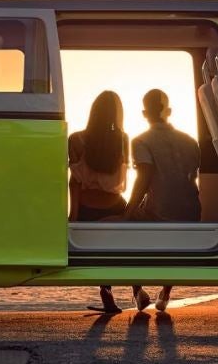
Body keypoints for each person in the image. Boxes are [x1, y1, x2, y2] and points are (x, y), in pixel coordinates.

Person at [125, 88, 201, 312]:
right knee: (173, 247)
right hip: (191, 212)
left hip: (160, 213)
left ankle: (138, 291)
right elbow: (191, 177)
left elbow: (144, 177)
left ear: (143, 113)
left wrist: (129, 208)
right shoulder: (190, 141)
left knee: (128, 226)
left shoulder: (141, 140)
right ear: (169, 111)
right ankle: (165, 293)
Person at [68, 90, 129, 313]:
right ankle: (138, 290)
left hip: (87, 207)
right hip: (116, 204)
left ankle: (107, 292)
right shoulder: (123, 139)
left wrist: (73, 216)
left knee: (97, 253)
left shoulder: (76, 139)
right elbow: (124, 180)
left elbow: (74, 182)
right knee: (124, 249)